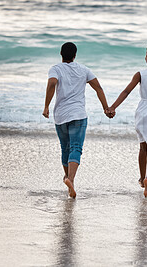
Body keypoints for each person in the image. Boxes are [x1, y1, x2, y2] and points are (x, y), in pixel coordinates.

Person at [43, 42, 113, 199]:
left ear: (61, 54)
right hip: (78, 115)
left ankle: (68, 179)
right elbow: (98, 88)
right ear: (75, 55)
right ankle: (71, 179)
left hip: (60, 116)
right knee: (76, 148)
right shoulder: (84, 70)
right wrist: (106, 108)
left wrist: (46, 106)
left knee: (65, 148)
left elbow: (52, 84)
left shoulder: (55, 69)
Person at [107, 42, 147, 198]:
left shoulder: (140, 74)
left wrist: (112, 107)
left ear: (146, 57)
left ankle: (142, 180)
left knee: (143, 147)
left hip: (142, 110)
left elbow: (126, 91)